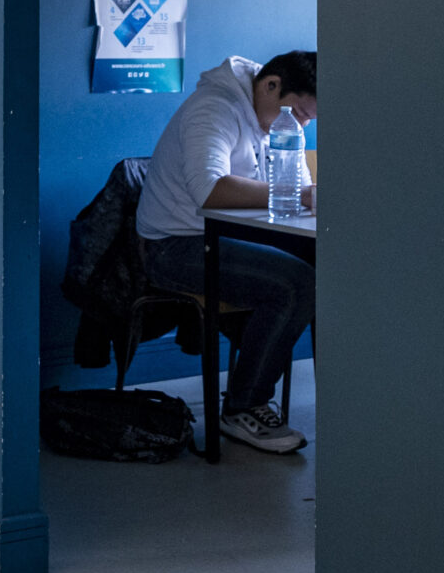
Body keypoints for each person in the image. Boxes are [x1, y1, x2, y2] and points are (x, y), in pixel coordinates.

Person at [135, 50, 317, 453]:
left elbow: (299, 196)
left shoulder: (277, 120)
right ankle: (243, 408)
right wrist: (301, 195)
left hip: (228, 237)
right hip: (174, 246)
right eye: (301, 113)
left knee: (325, 264)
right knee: (297, 284)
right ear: (271, 86)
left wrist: (307, 197)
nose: (302, 123)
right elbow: (211, 190)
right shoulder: (212, 109)